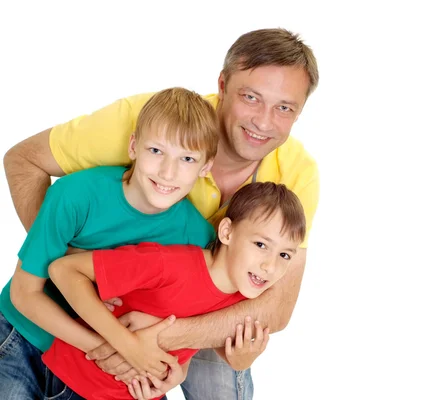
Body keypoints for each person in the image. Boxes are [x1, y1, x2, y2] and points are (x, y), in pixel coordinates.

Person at [3, 27, 320, 400]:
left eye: (284, 108)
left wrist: (155, 342)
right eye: (251, 97)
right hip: (90, 311)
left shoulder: (297, 175)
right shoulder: (153, 123)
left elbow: (274, 307)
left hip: (190, 315)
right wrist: (68, 261)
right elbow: (23, 161)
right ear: (222, 84)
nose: (264, 122)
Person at [0, 87, 219, 399]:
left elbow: (184, 328)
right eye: (156, 151)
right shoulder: (75, 195)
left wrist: (175, 374)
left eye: (186, 158)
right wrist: (111, 348)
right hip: (25, 337)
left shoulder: (197, 238)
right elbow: (25, 293)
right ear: (133, 146)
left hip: (96, 372)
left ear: (206, 167)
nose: (168, 172)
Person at [44, 182, 306, 400]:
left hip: (142, 394)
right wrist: (126, 343)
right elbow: (64, 270)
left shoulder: (243, 298)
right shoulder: (168, 264)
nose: (270, 266)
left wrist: (240, 360)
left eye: (284, 254)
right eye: (260, 244)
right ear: (226, 232)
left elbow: (197, 336)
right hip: (80, 384)